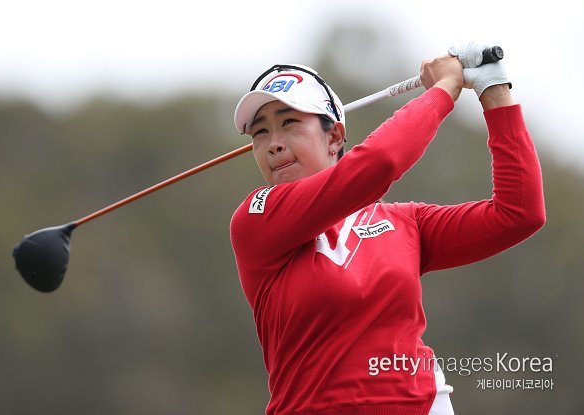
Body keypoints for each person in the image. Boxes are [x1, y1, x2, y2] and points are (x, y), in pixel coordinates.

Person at [229, 42, 545, 415]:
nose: (274, 144)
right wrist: (443, 90)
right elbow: (378, 163)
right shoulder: (255, 219)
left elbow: (518, 212)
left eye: (289, 123)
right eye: (260, 133)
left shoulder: (405, 223)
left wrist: (495, 90)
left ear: (334, 137)